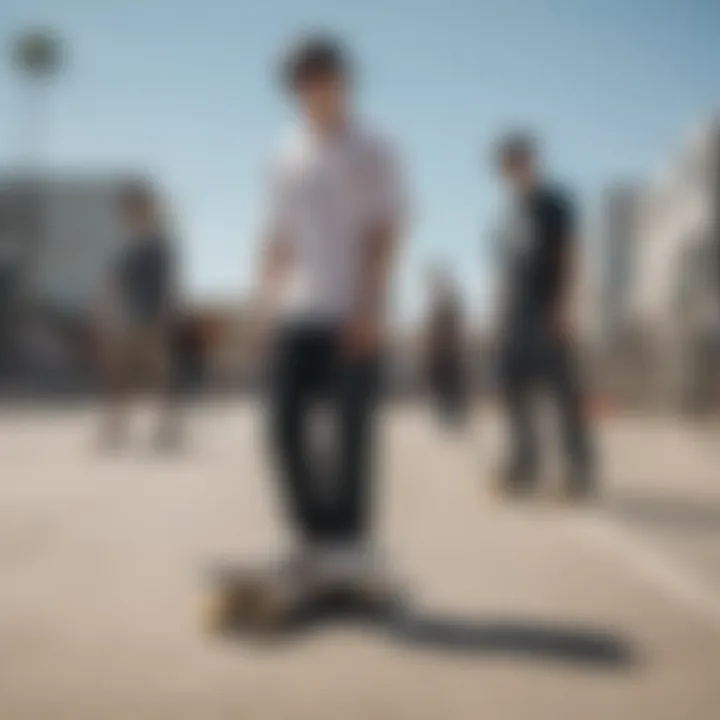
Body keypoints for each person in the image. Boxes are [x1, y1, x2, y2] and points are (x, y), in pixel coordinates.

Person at [253, 35, 406, 585]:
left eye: (324, 75)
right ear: (295, 89)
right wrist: (265, 307)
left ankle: (351, 544)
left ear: (345, 79)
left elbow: (385, 230)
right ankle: (311, 539)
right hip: (298, 312)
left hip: (350, 312)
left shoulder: (373, 147)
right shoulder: (285, 153)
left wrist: (369, 307)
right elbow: (277, 237)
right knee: (281, 430)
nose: (315, 87)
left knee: (350, 436)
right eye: (304, 79)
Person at [491, 132, 594, 499]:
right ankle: (523, 466)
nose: (513, 171)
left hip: (547, 310)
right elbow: (505, 271)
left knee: (562, 393)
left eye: (518, 162)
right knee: (516, 394)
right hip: (514, 316)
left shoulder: (553, 203)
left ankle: (578, 472)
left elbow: (569, 253)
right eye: (507, 165)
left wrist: (564, 306)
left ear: (531, 162)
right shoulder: (508, 214)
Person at [99, 182, 180, 449]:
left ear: (147, 209)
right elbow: (115, 282)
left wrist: (166, 316)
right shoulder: (126, 246)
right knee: (119, 377)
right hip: (126, 320)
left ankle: (167, 429)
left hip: (152, 320)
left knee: (159, 379)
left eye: (136, 207)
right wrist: (109, 311)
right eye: (128, 209)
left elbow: (168, 284)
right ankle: (115, 429)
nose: (131, 213)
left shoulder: (158, 243)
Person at [423, 266, 467, 425]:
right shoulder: (439, 304)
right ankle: (446, 415)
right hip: (440, 353)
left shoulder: (449, 303)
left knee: (452, 385)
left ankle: (453, 415)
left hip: (450, 353)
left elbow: (454, 328)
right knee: (441, 384)